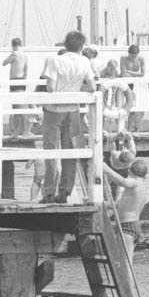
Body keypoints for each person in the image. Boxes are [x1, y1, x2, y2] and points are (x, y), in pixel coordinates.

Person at [39, 30, 96, 203]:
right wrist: (76, 90)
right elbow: (92, 87)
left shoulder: (54, 60)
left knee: (50, 150)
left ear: (65, 44)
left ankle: (48, 192)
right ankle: (65, 191)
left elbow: (50, 88)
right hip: (73, 110)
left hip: (53, 110)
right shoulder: (85, 61)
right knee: (70, 150)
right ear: (81, 46)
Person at [103, 158, 149, 259]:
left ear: (130, 171)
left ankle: (128, 275)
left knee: (125, 262)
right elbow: (117, 204)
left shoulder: (136, 182)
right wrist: (100, 204)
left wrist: (106, 169)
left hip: (127, 227)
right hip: (129, 226)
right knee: (123, 261)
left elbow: (123, 182)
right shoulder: (138, 187)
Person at [2, 37, 31, 137]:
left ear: (13, 45)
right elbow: (26, 68)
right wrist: (24, 78)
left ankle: (15, 132)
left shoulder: (14, 54)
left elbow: (4, 63)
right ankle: (25, 131)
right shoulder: (25, 55)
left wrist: (10, 57)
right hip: (23, 81)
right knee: (23, 107)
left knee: (16, 108)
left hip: (15, 81)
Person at [119, 44, 145, 131]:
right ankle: (120, 129)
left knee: (133, 107)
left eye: (135, 56)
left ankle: (129, 129)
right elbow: (123, 74)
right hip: (123, 84)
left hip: (133, 84)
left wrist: (129, 71)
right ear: (128, 53)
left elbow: (143, 74)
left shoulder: (141, 59)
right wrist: (136, 75)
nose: (133, 58)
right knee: (119, 107)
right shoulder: (123, 58)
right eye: (132, 56)